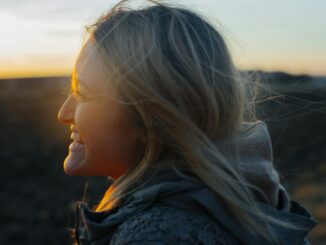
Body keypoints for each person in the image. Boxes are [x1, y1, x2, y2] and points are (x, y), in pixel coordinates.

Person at [57, 1, 317, 244]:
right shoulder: (248, 201)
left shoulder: (155, 234)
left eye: (84, 93)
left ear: (153, 115)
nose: (63, 113)